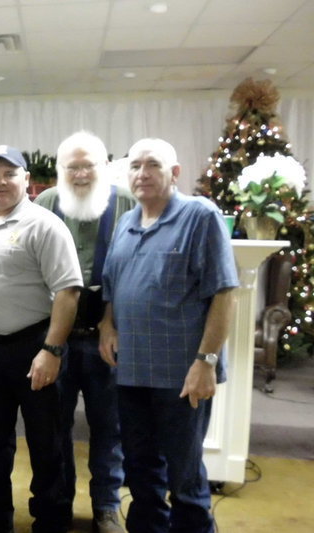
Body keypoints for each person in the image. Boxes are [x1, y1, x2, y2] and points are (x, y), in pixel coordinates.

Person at [99, 138, 238, 533]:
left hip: (182, 376)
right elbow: (112, 285)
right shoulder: (126, 223)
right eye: (136, 166)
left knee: (185, 478)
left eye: (153, 165)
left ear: (174, 173)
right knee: (141, 476)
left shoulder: (200, 216)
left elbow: (225, 293)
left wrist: (206, 362)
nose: (142, 173)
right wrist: (108, 323)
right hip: (131, 373)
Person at [0, 145, 82, 533]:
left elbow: (68, 291)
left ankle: (51, 520)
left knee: (47, 445)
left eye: (9, 174)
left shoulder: (44, 224)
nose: (0, 182)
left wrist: (51, 350)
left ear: (26, 180)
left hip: (35, 346)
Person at [34, 131, 134, 533]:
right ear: (60, 171)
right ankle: (58, 505)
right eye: (70, 166)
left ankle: (107, 507)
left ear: (104, 167)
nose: (79, 173)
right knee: (54, 428)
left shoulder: (126, 202)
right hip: (56, 340)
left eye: (87, 164)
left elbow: (131, 269)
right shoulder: (44, 204)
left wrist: (112, 320)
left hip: (105, 339)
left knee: (110, 428)